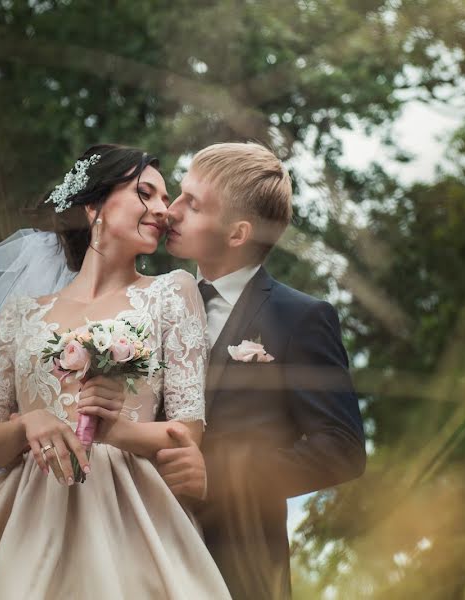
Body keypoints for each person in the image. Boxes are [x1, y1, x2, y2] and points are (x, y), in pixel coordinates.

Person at [0, 144, 231, 599]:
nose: (164, 210)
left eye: (165, 199)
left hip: (128, 516)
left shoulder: (171, 293)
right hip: (23, 519)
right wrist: (30, 423)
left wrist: (112, 432)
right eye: (146, 193)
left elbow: (187, 433)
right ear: (93, 208)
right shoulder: (20, 313)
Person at [157, 141, 367, 599]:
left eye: (192, 205)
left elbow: (343, 449)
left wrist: (216, 476)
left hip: (238, 568)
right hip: (141, 548)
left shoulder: (301, 319)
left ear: (237, 234)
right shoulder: (153, 303)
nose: (170, 212)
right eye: (177, 195)